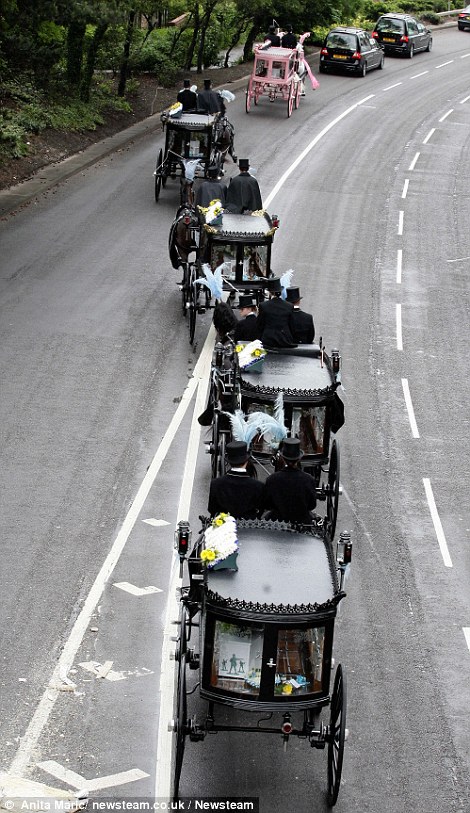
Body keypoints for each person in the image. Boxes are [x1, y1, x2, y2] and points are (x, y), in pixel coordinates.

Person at [261, 438, 318, 524]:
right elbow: (312, 505)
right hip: (302, 522)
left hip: (277, 523)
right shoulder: (308, 479)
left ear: (283, 458)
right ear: (298, 459)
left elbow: (267, 504)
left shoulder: (272, 479)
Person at [208, 441, 264, 519]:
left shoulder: (216, 483)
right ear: (246, 461)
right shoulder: (258, 486)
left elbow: (212, 509)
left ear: (229, 461)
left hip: (224, 526)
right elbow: (261, 510)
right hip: (249, 528)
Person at [256, 276, 297, 348]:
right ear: (280, 291)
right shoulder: (289, 306)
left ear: (270, 292)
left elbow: (260, 325)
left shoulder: (263, 306)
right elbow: (292, 326)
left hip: (268, 340)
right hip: (285, 340)